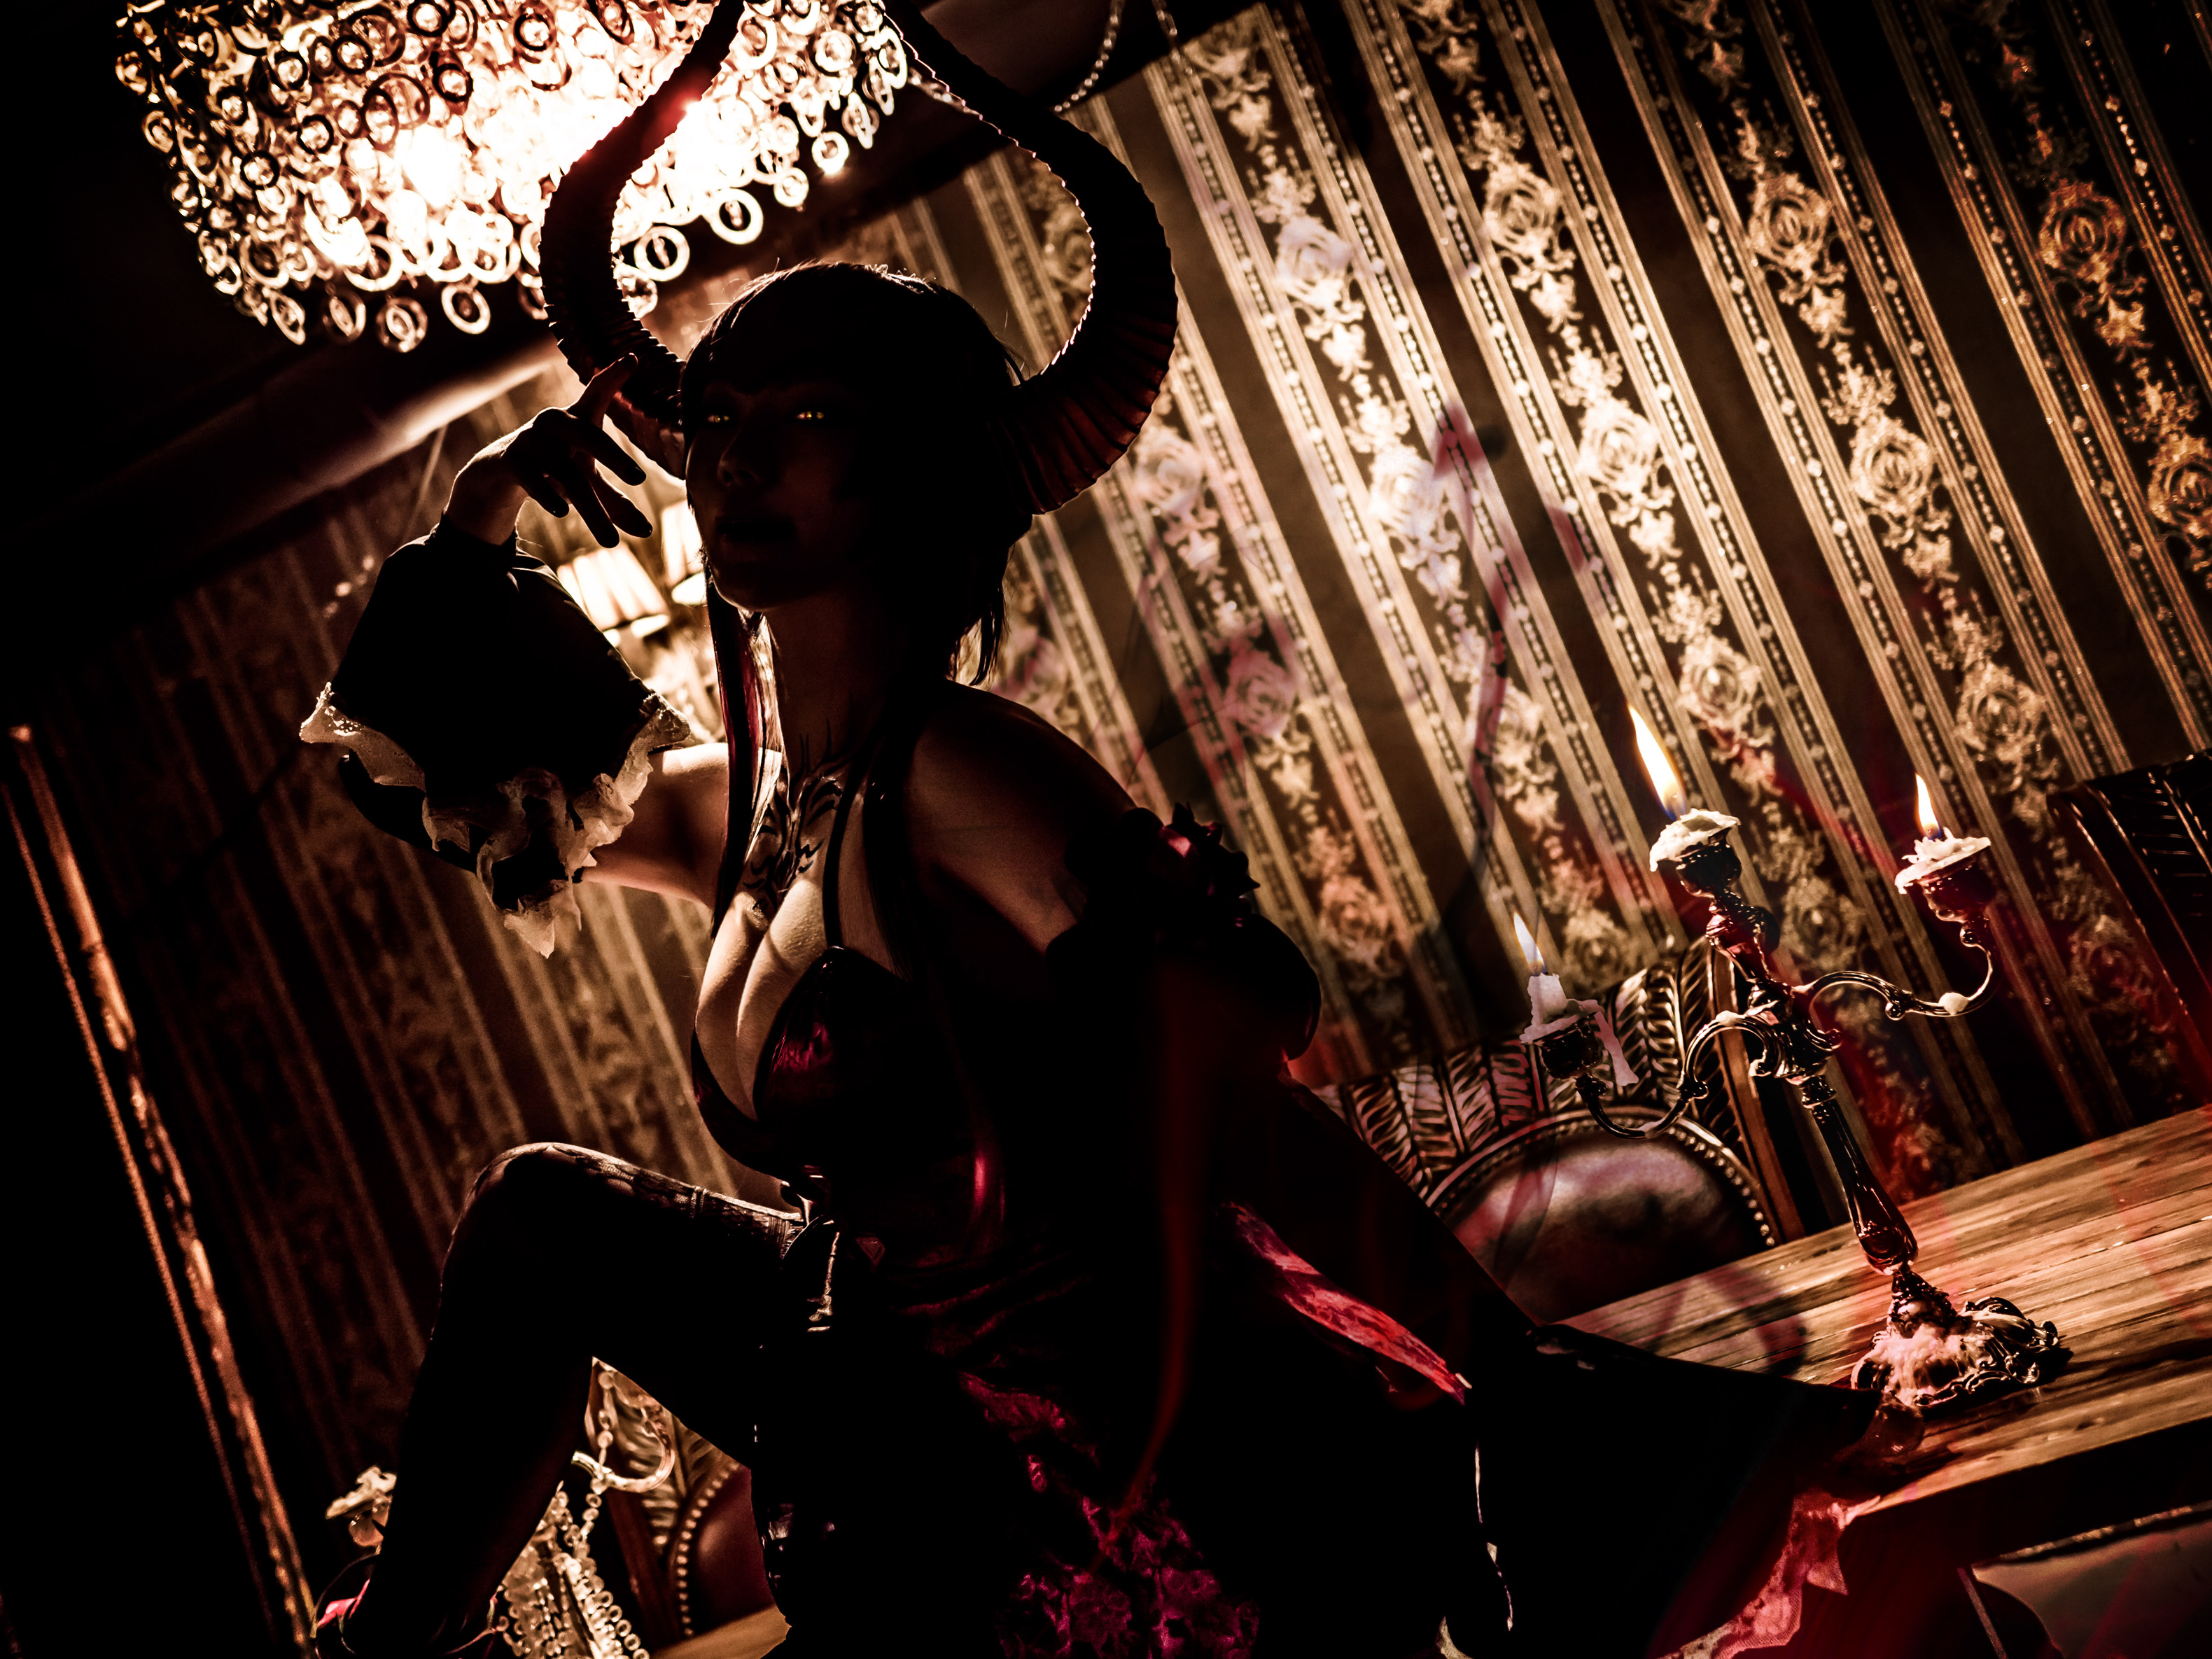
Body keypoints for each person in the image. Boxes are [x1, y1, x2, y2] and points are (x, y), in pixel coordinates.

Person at [303, 7, 1873, 1656]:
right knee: (543, 1218)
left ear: (911, 474)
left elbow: (1243, 1107)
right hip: (881, 1407)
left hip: (1097, 1476)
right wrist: (474, 521)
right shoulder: (736, 805)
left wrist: (1514, 1388)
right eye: (720, 416)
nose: (738, 457)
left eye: (808, 420)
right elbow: (414, 786)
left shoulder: (959, 769)